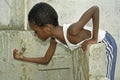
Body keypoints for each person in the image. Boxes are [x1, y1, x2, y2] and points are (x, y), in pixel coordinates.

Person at [13, 2, 117, 80]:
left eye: (36, 31)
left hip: (106, 43)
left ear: (48, 28)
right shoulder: (54, 39)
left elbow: (95, 9)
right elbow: (46, 60)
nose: (36, 35)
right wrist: (23, 58)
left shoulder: (72, 31)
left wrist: (94, 39)